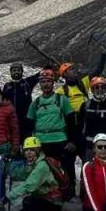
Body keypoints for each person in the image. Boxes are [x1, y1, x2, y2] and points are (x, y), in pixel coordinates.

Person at [26, 69, 76, 199]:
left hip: (60, 141)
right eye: (43, 82)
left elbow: (71, 121)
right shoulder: (35, 103)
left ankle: (67, 199)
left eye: (48, 81)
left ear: (53, 83)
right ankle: (45, 200)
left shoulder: (62, 100)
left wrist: (71, 141)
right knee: (43, 173)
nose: (46, 84)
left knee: (64, 172)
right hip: (41, 143)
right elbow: (29, 124)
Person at [9, 137, 62, 211]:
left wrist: (8, 197)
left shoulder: (42, 166)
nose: (28, 152)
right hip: (42, 196)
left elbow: (28, 186)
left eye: (32, 150)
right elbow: (21, 175)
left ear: (38, 151)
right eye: (26, 150)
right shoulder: (33, 163)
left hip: (51, 200)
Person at [2, 63, 40, 139]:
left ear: (22, 72)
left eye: (18, 70)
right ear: (11, 72)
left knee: (26, 144)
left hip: (26, 121)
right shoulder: (7, 86)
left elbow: (38, 75)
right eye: (14, 70)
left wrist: (48, 66)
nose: (16, 72)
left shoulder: (27, 83)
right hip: (11, 121)